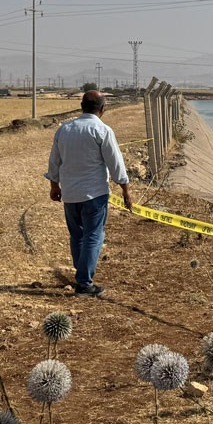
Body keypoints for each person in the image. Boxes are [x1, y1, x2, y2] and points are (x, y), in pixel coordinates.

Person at [44, 90, 133, 297]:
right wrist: (126, 190)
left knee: (77, 235)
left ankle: (81, 271)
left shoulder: (65, 129)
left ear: (82, 106)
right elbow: (116, 163)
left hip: (70, 194)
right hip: (95, 194)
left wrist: (54, 185)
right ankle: (84, 283)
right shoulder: (102, 130)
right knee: (94, 235)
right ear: (102, 109)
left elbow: (54, 161)